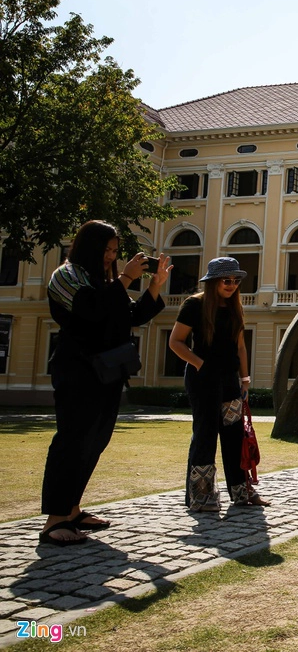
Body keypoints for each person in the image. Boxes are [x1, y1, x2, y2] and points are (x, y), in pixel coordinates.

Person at [40, 220, 170, 546]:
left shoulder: (103, 281)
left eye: (114, 251)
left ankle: (72, 509)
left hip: (108, 372)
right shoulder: (67, 276)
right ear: (89, 248)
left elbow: (132, 316)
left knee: (94, 442)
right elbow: (92, 310)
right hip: (78, 371)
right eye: (106, 250)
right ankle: (54, 520)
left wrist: (154, 285)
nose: (111, 257)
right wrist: (126, 278)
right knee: (72, 441)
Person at [169, 257, 268, 511]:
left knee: (235, 437)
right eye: (227, 280)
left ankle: (242, 491)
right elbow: (176, 342)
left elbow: (240, 346)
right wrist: (200, 364)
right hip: (202, 380)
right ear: (213, 281)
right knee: (205, 435)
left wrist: (245, 380)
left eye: (236, 280)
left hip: (229, 380)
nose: (232, 285)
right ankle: (202, 497)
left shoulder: (235, 307)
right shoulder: (194, 305)